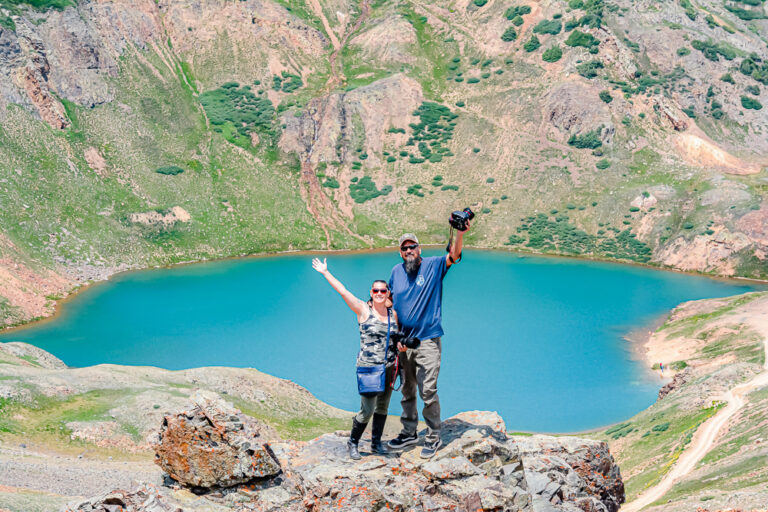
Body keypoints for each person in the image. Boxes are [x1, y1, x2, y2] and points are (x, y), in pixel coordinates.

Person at [386, 224, 469, 459]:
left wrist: (460, 233)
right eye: (405, 248)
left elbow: (454, 255)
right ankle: (409, 432)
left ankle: (433, 436)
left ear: (419, 248)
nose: (409, 250)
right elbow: (390, 303)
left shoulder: (432, 266)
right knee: (407, 390)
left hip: (427, 341)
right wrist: (396, 337)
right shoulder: (396, 272)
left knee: (428, 390)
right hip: (405, 343)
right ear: (400, 253)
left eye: (412, 246)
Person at [311, 257, 402, 460]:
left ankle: (376, 444)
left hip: (389, 366)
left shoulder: (392, 314)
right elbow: (343, 291)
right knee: (367, 410)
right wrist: (326, 272)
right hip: (369, 367)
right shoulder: (363, 309)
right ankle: (353, 441)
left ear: (388, 293)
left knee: (383, 407)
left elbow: (396, 340)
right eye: (375, 290)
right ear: (371, 292)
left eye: (383, 291)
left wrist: (402, 348)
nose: (379, 294)